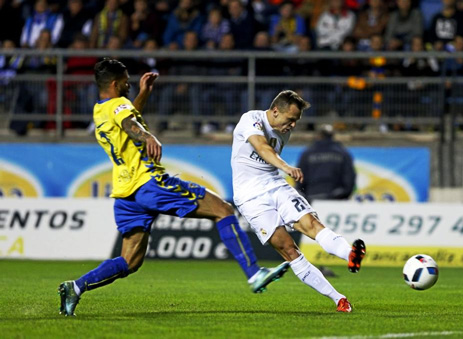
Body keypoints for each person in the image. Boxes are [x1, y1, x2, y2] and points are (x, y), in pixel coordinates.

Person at [57, 58, 289, 316]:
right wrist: (147, 136)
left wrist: (143, 95)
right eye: (126, 81)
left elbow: (126, 116)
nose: (129, 84)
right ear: (114, 83)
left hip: (126, 193)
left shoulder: (100, 110)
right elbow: (129, 124)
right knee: (223, 210)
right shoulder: (120, 106)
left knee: (129, 262)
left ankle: (76, 288)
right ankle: (254, 273)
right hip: (149, 183)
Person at [231, 90, 366, 313]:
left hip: (276, 186)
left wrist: (282, 172)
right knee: (288, 249)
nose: (293, 125)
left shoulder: (283, 131)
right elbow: (262, 147)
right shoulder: (251, 119)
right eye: (290, 119)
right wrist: (286, 167)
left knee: (312, 224)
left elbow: (269, 153)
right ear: (275, 111)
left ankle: (350, 254)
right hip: (249, 196)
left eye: (296, 121)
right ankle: (338, 298)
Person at [296, 124, 356, 202]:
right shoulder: (343, 152)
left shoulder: (307, 153)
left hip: (311, 199)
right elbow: (349, 178)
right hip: (336, 200)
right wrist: (342, 194)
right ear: (332, 135)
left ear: (318, 135)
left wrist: (305, 195)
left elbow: (299, 177)